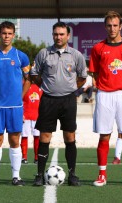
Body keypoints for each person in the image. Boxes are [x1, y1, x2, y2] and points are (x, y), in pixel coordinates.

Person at [28, 22, 87, 186]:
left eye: (62, 34)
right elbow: (34, 74)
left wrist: (71, 88)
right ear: (52, 35)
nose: (58, 37)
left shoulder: (76, 55)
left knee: (70, 137)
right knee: (44, 137)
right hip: (48, 100)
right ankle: (39, 174)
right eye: (56, 34)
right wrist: (46, 86)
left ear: (68, 36)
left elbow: (82, 77)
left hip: (68, 100)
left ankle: (72, 175)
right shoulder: (43, 53)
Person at [89, 11, 122, 187]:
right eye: (109, 26)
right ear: (105, 27)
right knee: (104, 136)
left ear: (121, 27)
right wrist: (105, 85)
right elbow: (95, 73)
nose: (112, 29)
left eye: (115, 25)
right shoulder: (97, 49)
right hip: (105, 95)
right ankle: (102, 175)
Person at [0, 21, 30, 187]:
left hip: (15, 106)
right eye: (3, 33)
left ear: (14, 35)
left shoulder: (21, 56)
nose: (6, 36)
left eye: (9, 33)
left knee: (15, 140)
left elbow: (28, 80)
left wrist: (20, 97)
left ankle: (16, 176)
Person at [21, 75, 43, 164]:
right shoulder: (24, 86)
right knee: (24, 136)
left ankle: (37, 157)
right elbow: (20, 101)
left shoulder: (40, 87)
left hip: (37, 116)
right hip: (25, 116)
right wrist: (21, 114)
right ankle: (24, 157)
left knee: (37, 136)